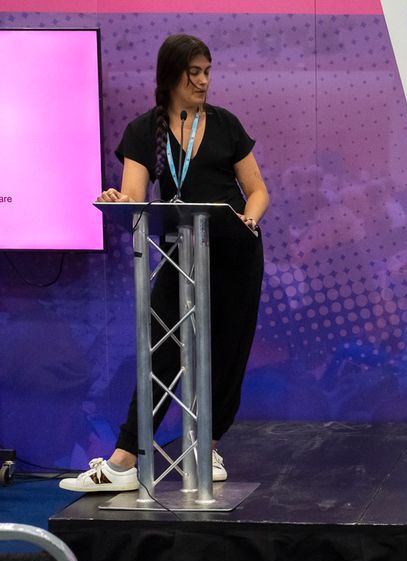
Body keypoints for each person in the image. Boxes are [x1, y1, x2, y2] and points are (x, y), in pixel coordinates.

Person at [61, 34, 269, 493]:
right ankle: (124, 461)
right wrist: (119, 199)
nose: (203, 81)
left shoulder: (226, 124)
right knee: (161, 353)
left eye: (207, 72)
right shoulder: (144, 131)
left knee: (227, 352)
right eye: (193, 73)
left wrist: (249, 220)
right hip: (179, 256)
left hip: (235, 253)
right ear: (171, 76)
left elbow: (257, 191)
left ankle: (206, 448)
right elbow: (134, 198)